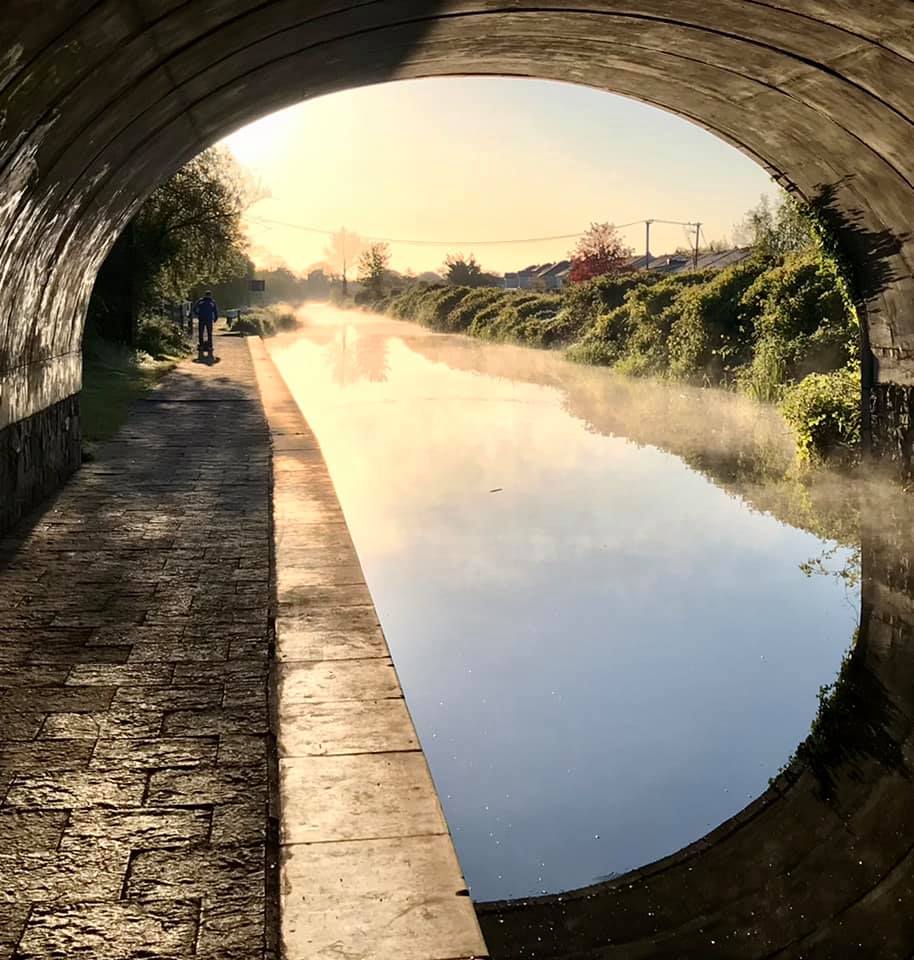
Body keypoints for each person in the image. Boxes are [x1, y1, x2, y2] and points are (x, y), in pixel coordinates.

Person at [193, 291, 218, 358]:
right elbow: (215, 311)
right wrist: (215, 318)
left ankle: (201, 345)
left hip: (202, 319)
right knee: (209, 333)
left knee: (201, 332)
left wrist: (198, 314)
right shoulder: (212, 302)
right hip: (209, 319)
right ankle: (209, 346)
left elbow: (194, 308)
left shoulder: (201, 301)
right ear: (210, 295)